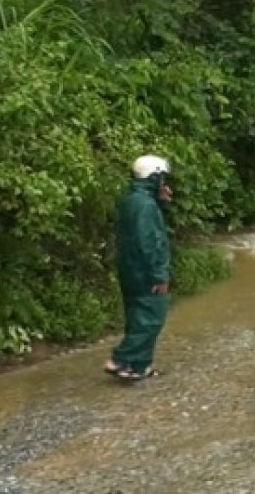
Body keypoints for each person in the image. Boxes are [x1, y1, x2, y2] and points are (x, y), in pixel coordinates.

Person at [104, 155, 173, 382]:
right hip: (143, 270)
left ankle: (138, 366)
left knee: (137, 316)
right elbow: (149, 242)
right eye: (162, 178)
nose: (164, 183)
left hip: (129, 268)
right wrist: (159, 274)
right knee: (153, 316)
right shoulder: (145, 205)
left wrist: (160, 202)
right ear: (154, 176)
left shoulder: (133, 200)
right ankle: (121, 358)